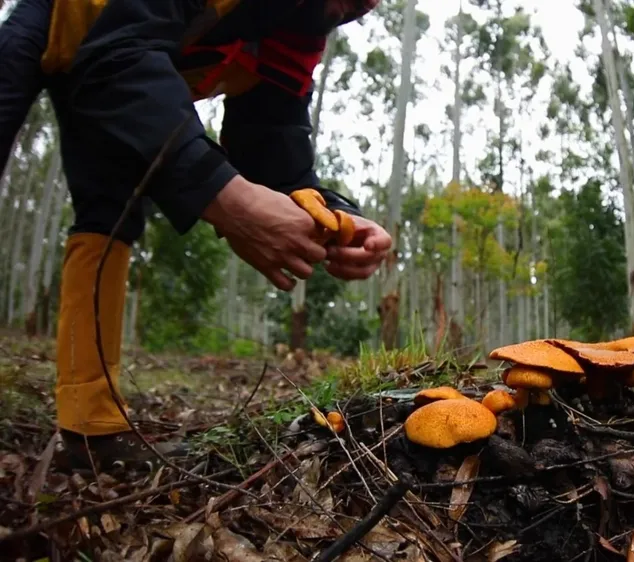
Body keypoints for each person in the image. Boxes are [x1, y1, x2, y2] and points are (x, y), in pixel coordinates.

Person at [0, 0, 392, 471]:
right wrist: (227, 200)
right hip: (62, 21)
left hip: (114, 59)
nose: (363, 5)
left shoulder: (300, 30)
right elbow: (121, 54)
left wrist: (336, 220)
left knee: (111, 215)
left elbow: (273, 141)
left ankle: (91, 432)